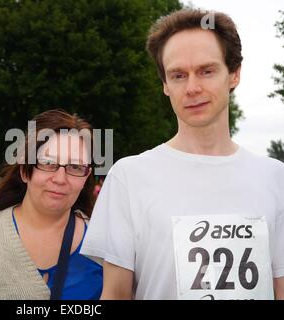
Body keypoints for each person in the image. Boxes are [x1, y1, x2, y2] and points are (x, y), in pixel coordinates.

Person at [81, 9, 284, 300]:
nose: (192, 88)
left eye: (206, 70)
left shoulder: (275, 178)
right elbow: (114, 295)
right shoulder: (129, 178)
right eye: (178, 75)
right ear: (165, 85)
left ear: (234, 74)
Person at [0, 109, 103, 300]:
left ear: (86, 176)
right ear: (24, 170)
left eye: (75, 167)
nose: (60, 178)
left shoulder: (103, 247)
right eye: (47, 163)